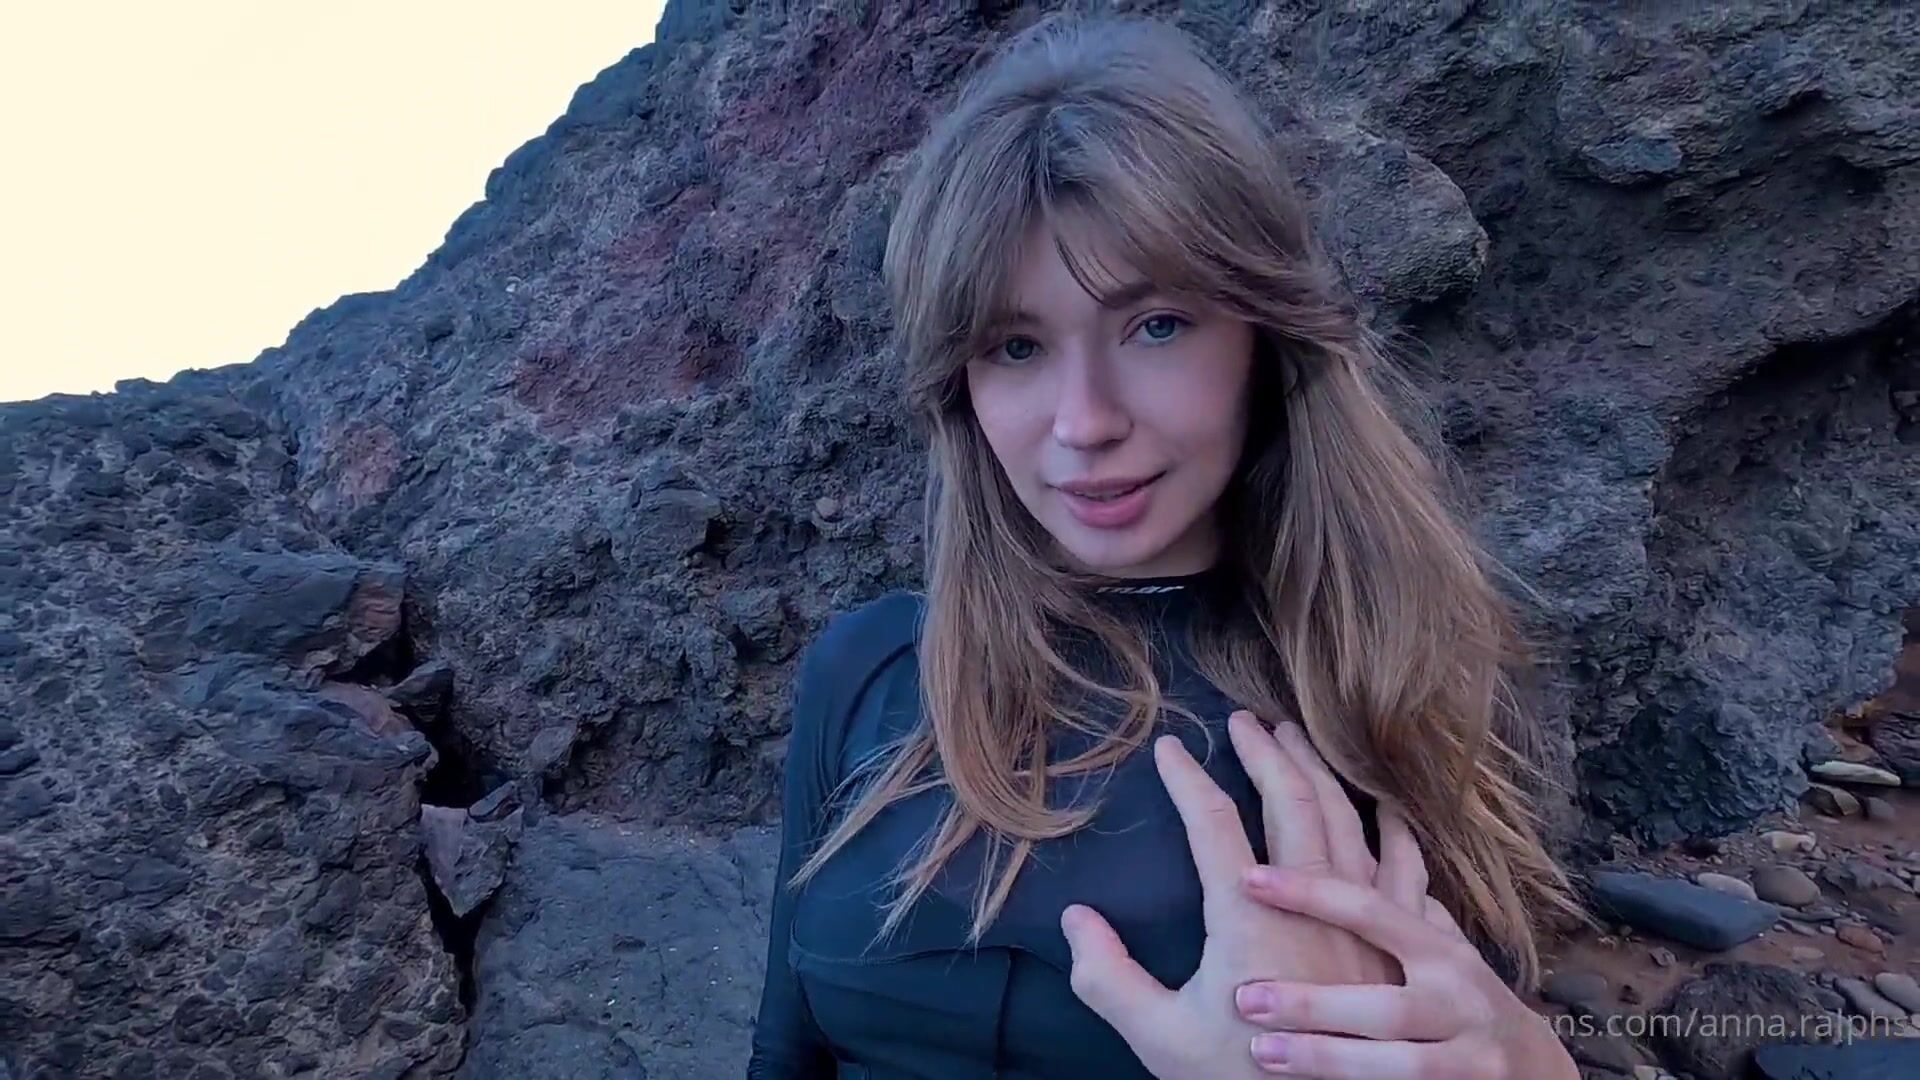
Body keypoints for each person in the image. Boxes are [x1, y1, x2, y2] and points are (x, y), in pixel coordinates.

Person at [748, 12, 1589, 1079]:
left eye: (1157, 326)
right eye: (1015, 346)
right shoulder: (866, 670)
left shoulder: (1393, 679)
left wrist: (1532, 1062)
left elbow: (1479, 1042)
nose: (1084, 422)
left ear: (1263, 336)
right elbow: (784, 1052)